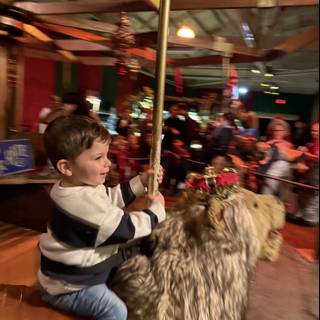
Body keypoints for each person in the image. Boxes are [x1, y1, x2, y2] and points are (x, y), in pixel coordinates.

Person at [38, 116, 166, 320]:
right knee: (115, 311)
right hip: (70, 286)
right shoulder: (80, 202)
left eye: (107, 155)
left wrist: (140, 182)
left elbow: (111, 198)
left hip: (74, 271)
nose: (108, 163)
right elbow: (123, 229)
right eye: (98, 158)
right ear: (66, 167)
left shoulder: (78, 187)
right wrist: (155, 212)